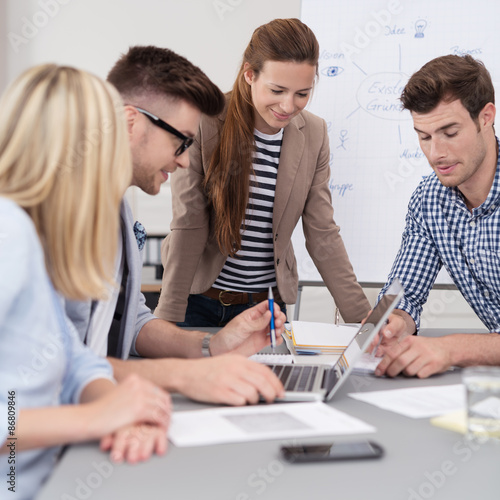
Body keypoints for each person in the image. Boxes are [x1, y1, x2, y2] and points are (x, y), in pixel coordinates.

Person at [65, 45, 285, 406]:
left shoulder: (116, 205)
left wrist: (212, 346)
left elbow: (132, 322)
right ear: (131, 121)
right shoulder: (60, 211)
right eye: (180, 141)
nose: (184, 160)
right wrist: (184, 376)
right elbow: (55, 362)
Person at [0, 64, 170, 500]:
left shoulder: (32, 236)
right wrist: (97, 418)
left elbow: (70, 356)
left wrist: (115, 403)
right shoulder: (9, 233)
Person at [154, 18, 371, 328]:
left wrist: (363, 319)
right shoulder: (205, 121)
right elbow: (189, 223)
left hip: (267, 309)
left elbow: (323, 233)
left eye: (302, 93)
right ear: (249, 75)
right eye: (277, 90)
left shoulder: (314, 133)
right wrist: (168, 316)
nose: (288, 105)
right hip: (199, 302)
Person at [373, 54, 500, 379]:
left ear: (486, 117)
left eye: (449, 132)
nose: (435, 153)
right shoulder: (430, 199)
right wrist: (395, 321)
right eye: (424, 136)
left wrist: (451, 349)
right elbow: (405, 290)